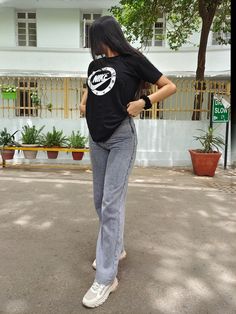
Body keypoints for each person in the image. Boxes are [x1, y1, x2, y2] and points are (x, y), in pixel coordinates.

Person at [80, 15, 176, 308]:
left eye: (95, 39)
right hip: (97, 139)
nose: (94, 46)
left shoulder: (134, 60)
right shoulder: (95, 66)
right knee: (100, 202)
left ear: (106, 37)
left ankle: (107, 279)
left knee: (111, 204)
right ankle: (116, 248)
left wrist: (143, 103)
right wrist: (83, 102)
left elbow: (169, 86)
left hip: (121, 137)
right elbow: (91, 88)